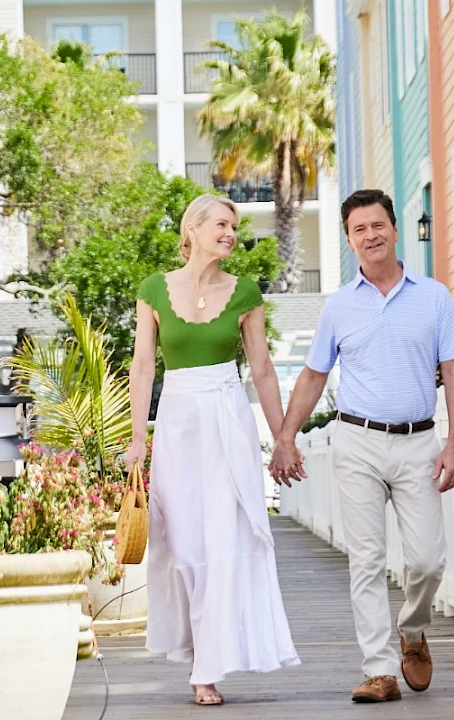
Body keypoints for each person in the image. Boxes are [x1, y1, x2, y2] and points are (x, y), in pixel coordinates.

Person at [269, 188, 454, 704]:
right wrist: (286, 437)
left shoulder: (434, 297)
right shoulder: (339, 306)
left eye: (378, 225)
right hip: (356, 439)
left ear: (394, 229)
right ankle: (379, 669)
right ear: (349, 240)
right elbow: (313, 377)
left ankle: (413, 627)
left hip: (419, 442)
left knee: (427, 560)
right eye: (359, 229)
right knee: (365, 558)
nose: (371, 235)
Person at [125, 193, 299, 706]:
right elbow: (141, 367)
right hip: (177, 424)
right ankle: (198, 645)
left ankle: (207, 668)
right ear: (193, 229)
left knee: (222, 539)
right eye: (221, 223)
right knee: (182, 543)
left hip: (228, 420)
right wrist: (138, 438)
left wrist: (283, 437)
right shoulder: (154, 289)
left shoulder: (245, 292)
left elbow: (262, 370)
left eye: (234, 225)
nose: (230, 232)